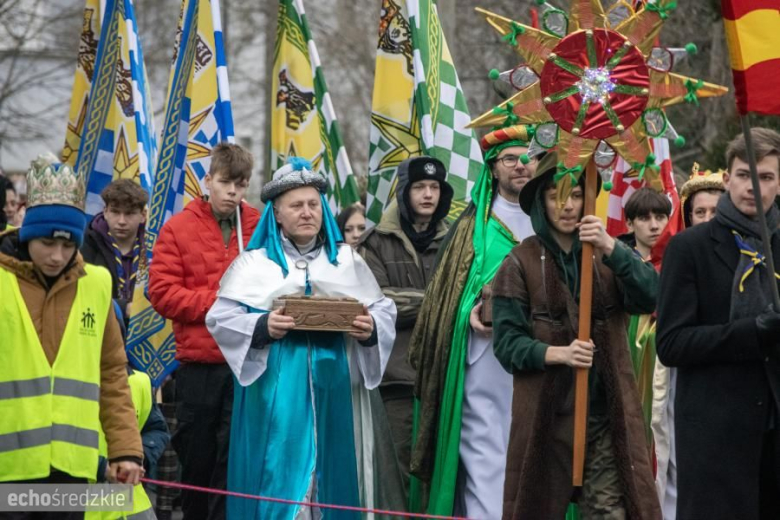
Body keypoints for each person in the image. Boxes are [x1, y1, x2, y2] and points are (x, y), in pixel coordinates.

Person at [206, 157, 397, 519]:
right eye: (296, 206)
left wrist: (370, 329)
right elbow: (220, 318)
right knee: (276, 475)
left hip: (335, 383)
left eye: (313, 204)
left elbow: (384, 311)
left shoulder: (347, 261)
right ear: (277, 214)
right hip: (275, 390)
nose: (307, 213)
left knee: (332, 473)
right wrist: (262, 326)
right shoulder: (254, 264)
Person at [492, 152, 661, 519]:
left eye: (576, 194)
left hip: (605, 415)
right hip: (546, 419)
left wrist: (612, 247)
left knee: (609, 512)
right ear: (541, 202)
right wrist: (557, 354)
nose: (567, 205)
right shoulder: (518, 262)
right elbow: (506, 345)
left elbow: (651, 296)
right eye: (556, 196)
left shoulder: (610, 254)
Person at [0, 155, 144, 519]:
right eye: (47, 243)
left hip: (71, 470)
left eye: (68, 246)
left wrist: (125, 450)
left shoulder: (96, 284)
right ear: (27, 234)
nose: (57, 256)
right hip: (8, 471)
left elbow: (113, 373)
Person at [407, 125, 537, 518]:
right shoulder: (471, 229)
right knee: (485, 454)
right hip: (484, 359)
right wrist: (470, 313)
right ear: (493, 168)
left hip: (540, 357)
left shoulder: (551, 219)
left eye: (527, 157)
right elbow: (448, 300)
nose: (521, 165)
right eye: (510, 159)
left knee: (534, 453)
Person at [657, 128, 780, 520]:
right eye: (744, 175)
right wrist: (752, 332)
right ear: (727, 179)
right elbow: (672, 344)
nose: (753, 187)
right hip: (715, 436)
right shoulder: (689, 248)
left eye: (766, 177)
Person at [148, 143, 260, 520]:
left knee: (234, 460)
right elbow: (161, 292)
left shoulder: (258, 225)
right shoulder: (178, 228)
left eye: (241, 184)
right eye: (226, 182)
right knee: (197, 460)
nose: (233, 192)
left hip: (245, 364)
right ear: (208, 180)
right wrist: (218, 305)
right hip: (198, 366)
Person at [359, 156, 453, 488]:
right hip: (396, 381)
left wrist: (417, 301)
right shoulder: (375, 242)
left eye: (434, 187)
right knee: (399, 478)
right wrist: (440, 300)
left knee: (442, 478)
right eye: (419, 187)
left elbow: (467, 297)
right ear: (403, 192)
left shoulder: (457, 241)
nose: (428, 194)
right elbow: (377, 303)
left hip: (447, 378)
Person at [87, 302, 170, 520]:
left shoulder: (140, 381)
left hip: (132, 506)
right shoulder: (64, 385)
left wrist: (137, 459)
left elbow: (156, 430)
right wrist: (102, 468)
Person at [82, 179, 149, 313]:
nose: (121, 221)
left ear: (143, 216)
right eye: (115, 212)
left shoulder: (153, 248)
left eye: (129, 213)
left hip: (143, 324)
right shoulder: (86, 244)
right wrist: (123, 308)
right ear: (105, 212)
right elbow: (82, 295)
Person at [623, 187, 671, 260]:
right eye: (644, 219)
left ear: (669, 220)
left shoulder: (682, 260)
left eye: (660, 217)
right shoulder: (617, 263)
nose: (654, 226)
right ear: (630, 224)